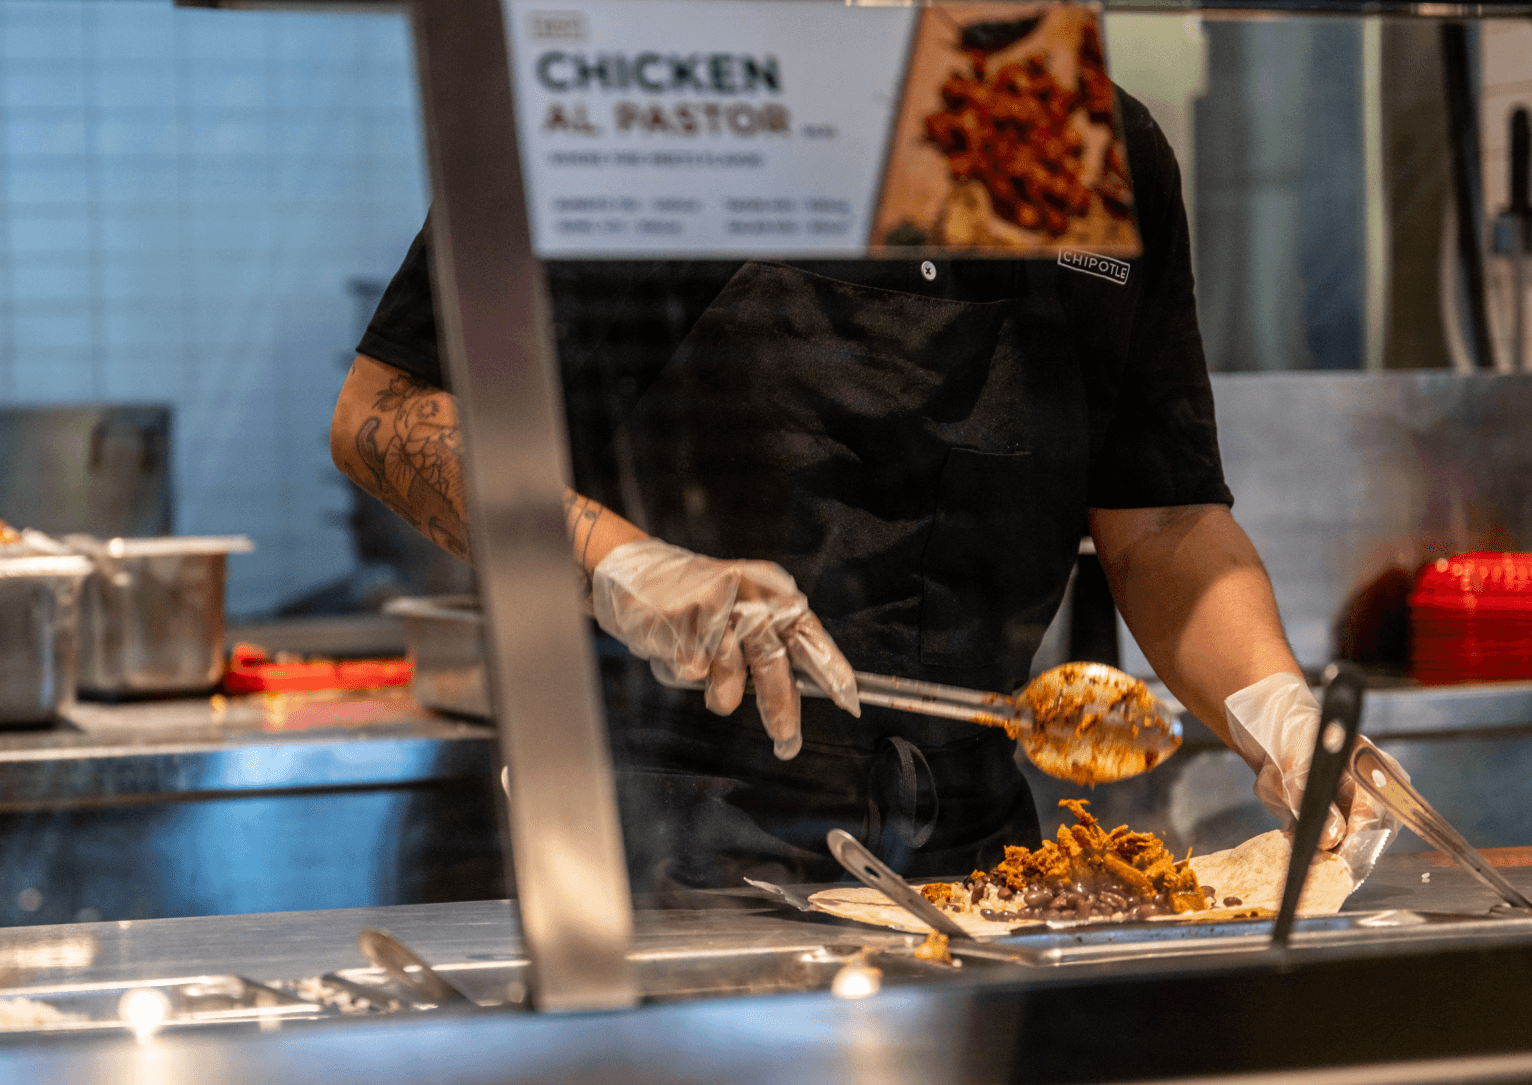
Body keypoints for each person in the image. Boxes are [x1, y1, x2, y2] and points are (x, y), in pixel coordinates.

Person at [330, 87, 1397, 897]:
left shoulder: (1098, 148)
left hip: (981, 862)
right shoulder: (653, 110)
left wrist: (1276, 707)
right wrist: (614, 559)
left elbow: (1162, 519)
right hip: (660, 843)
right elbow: (387, 413)